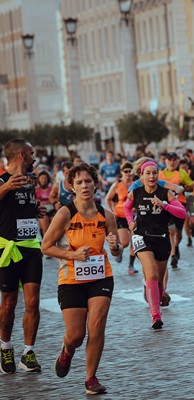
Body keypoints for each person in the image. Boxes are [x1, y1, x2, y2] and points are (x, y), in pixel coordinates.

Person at [41, 164, 121, 395]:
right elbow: (46, 246)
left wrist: (116, 247)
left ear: (96, 183)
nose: (84, 186)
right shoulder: (65, 213)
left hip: (101, 277)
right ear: (71, 187)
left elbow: (116, 252)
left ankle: (90, 379)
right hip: (71, 280)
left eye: (88, 181)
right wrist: (72, 255)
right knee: (76, 335)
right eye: (79, 182)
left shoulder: (106, 215)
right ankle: (67, 350)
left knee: (96, 327)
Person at [0, 139, 46, 373]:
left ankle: (28, 353)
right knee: (9, 303)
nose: (34, 156)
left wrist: (35, 211)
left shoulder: (30, 181)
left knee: (33, 302)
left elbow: (19, 209)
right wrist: (6, 188)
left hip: (31, 247)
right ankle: (5, 347)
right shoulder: (1, 180)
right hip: (8, 248)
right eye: (31, 152)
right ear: (21, 154)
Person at [123, 160, 187, 329]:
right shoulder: (135, 192)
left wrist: (164, 205)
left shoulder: (166, 193)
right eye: (148, 173)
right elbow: (126, 208)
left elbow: (182, 213)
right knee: (151, 273)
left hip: (162, 238)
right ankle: (155, 316)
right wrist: (130, 222)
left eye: (154, 173)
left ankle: (153, 291)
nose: (151, 176)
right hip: (141, 236)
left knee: (158, 280)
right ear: (142, 176)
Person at [159, 153, 193, 269]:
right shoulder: (160, 174)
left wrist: (183, 186)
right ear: (165, 161)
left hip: (180, 205)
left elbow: (190, 187)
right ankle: (173, 255)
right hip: (166, 206)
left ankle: (176, 246)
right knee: (171, 231)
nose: (172, 162)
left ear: (177, 161)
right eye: (170, 160)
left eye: (174, 160)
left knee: (178, 233)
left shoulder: (181, 173)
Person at [104, 161, 139, 275]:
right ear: (121, 172)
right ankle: (119, 251)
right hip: (120, 215)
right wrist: (112, 211)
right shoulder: (117, 184)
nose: (128, 173)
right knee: (124, 242)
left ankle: (131, 266)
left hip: (133, 216)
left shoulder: (136, 184)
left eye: (130, 171)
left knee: (135, 242)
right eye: (126, 171)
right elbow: (108, 198)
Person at [36, 171, 54, 237]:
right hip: (42, 211)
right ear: (39, 179)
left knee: (53, 229)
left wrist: (49, 202)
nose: (43, 180)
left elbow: (55, 199)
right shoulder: (36, 189)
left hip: (52, 210)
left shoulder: (52, 188)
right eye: (42, 178)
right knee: (45, 230)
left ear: (48, 179)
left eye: (45, 178)